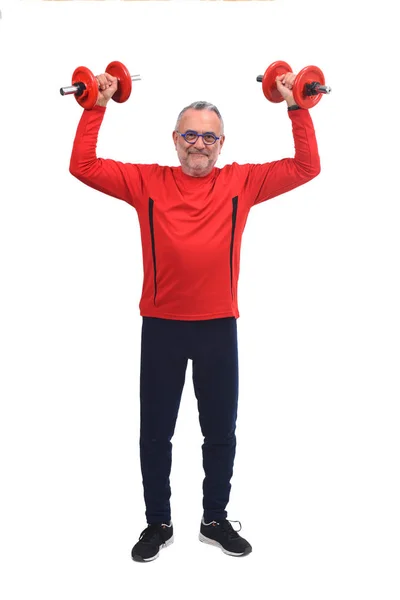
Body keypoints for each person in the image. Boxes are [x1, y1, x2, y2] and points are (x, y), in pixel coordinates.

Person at [69, 69, 321, 562]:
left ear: (221, 143)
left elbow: (306, 166)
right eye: (190, 134)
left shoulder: (243, 181)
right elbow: (82, 165)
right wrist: (97, 103)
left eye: (209, 136)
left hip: (217, 328)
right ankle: (157, 523)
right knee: (155, 432)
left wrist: (296, 104)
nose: (199, 143)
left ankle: (214, 519)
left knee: (220, 432)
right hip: (161, 327)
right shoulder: (145, 180)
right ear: (175, 140)